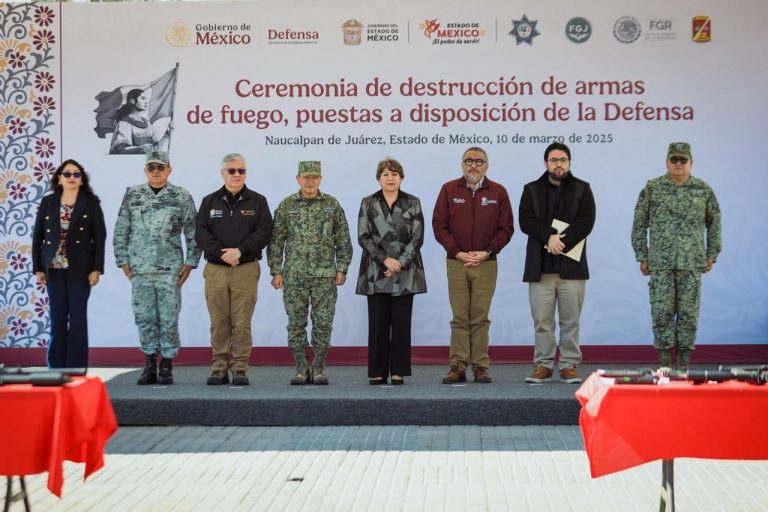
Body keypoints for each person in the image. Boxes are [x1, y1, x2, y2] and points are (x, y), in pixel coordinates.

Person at [631, 142, 721, 371]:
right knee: (662, 314)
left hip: (691, 263)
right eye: (675, 160)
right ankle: (664, 367)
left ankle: (683, 368)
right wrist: (642, 254)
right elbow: (640, 223)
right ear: (667, 162)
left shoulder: (703, 189)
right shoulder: (653, 188)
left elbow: (714, 223)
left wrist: (713, 253)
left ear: (691, 162)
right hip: (660, 263)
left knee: (689, 316)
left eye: (683, 160)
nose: (679, 164)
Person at [113, 150, 200, 385]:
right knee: (144, 317)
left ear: (169, 170)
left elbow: (193, 231)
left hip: (170, 268)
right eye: (151, 167)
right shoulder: (133, 195)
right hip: (140, 268)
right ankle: (150, 362)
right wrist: (122, 260)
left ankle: (167, 364)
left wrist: (191, 262)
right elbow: (122, 229)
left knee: (169, 317)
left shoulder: (181, 196)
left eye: (160, 167)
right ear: (145, 170)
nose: (156, 171)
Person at [432, 147, 514, 384]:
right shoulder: (449, 189)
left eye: (479, 161)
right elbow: (440, 226)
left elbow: (506, 228)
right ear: (462, 165)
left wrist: (487, 253)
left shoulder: (498, 192)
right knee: (459, 316)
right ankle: (457, 365)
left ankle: (480, 366)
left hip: (486, 263)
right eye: (469, 161)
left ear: (487, 166)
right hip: (456, 263)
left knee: (480, 316)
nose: (474, 166)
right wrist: (457, 253)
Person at [267, 161, 353, 385]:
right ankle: (300, 368)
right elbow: (276, 241)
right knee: (296, 323)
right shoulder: (287, 206)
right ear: (298, 179)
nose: (310, 181)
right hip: (294, 276)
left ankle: (319, 368)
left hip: (325, 276)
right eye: (306, 177)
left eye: (314, 177)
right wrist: (276, 271)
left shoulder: (331, 205)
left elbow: (343, 239)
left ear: (321, 179)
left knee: (323, 323)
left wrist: (342, 268)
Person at [520, 143, 596, 384]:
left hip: (571, 268)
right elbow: (525, 220)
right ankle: (543, 365)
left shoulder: (582, 189)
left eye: (563, 160)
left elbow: (587, 221)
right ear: (546, 163)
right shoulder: (531, 189)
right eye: (553, 160)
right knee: (542, 320)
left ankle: (569, 365)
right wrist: (548, 237)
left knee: (570, 320)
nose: (558, 164)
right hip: (540, 266)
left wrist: (560, 242)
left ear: (569, 162)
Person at [196, 153, 273, 386]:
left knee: (241, 321)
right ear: (223, 174)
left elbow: (265, 231)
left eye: (241, 171)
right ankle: (219, 367)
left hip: (245, 268)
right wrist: (222, 253)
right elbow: (200, 232)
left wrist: (239, 251)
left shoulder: (258, 201)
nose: (237, 175)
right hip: (216, 270)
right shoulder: (209, 201)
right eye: (232, 171)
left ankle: (240, 368)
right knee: (218, 320)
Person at [356, 158, 427, 385]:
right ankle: (378, 371)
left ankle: (398, 371)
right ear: (379, 178)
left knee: (401, 323)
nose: (390, 178)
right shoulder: (368, 203)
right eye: (385, 174)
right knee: (377, 324)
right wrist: (385, 260)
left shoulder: (412, 202)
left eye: (394, 174)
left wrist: (399, 263)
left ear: (401, 178)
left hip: (405, 273)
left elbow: (417, 237)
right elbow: (363, 237)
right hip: (376, 271)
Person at [32, 159, 106, 368]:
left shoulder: (91, 202)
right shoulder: (48, 202)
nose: (71, 177)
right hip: (53, 269)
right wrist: (38, 267)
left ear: (82, 180)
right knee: (57, 319)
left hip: (81, 270)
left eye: (76, 174)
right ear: (59, 178)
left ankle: (75, 367)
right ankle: (55, 367)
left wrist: (97, 269)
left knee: (78, 319)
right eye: (67, 174)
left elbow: (99, 238)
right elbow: (37, 235)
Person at [109, 88, 171, 155]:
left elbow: (158, 150)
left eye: (146, 99)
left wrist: (167, 134)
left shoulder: (146, 122)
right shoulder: (124, 123)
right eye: (142, 98)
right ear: (132, 101)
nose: (146, 102)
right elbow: (119, 150)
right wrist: (138, 149)